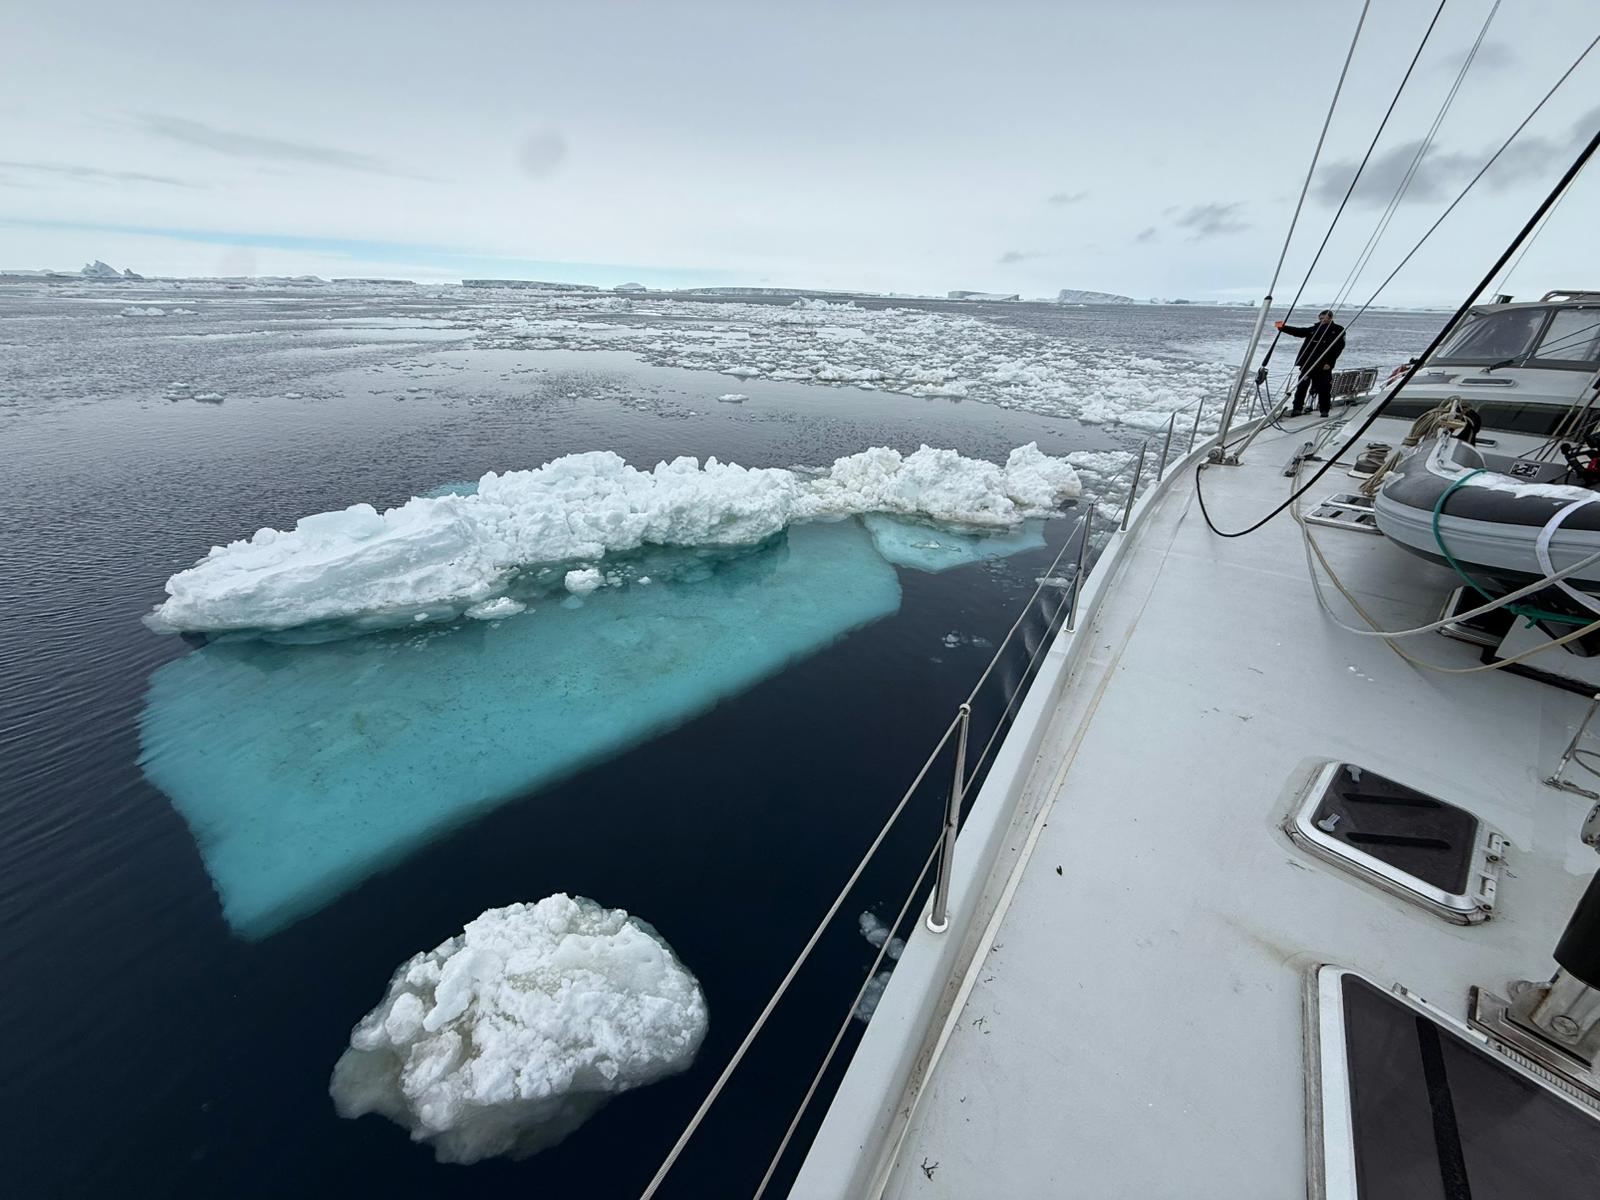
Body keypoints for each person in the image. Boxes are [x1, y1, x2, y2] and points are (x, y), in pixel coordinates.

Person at [1274, 309, 1346, 418]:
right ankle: (1297, 408)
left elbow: (1338, 348)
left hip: (1324, 366)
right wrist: (1283, 327)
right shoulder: (1314, 329)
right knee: (1302, 387)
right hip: (1308, 364)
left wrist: (1330, 363)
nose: (1321, 320)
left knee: (1324, 388)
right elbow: (1300, 332)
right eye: (1320, 318)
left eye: (1323, 318)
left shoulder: (1338, 330)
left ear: (1330, 318)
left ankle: (1324, 410)